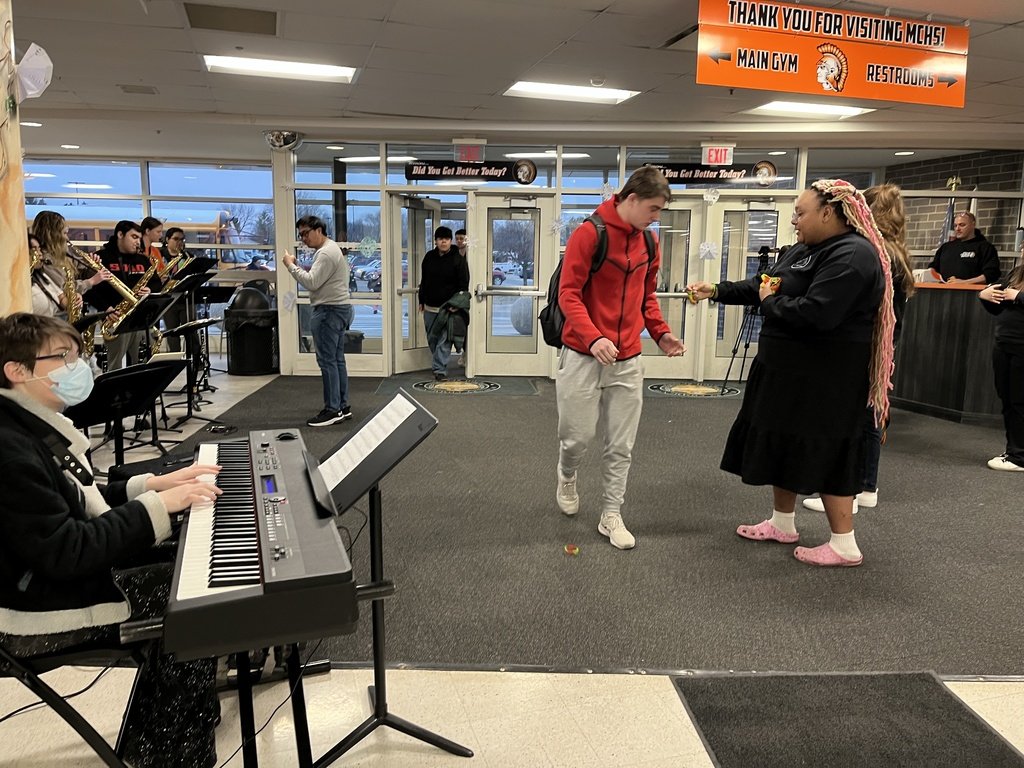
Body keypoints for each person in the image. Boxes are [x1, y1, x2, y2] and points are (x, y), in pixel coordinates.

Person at [0, 313, 222, 767]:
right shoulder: (9, 447)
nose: (78, 367)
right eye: (63, 357)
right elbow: (70, 551)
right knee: (192, 596)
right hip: (30, 610)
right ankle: (168, 752)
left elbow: (79, 497)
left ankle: (177, 723)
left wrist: (156, 486)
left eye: (77, 355)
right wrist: (159, 509)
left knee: (185, 561)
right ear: (17, 371)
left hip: (46, 577)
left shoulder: (25, 424)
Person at [687, 179, 895, 567]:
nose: (794, 221)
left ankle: (844, 544)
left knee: (829, 448)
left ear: (828, 213)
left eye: (800, 213)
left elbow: (816, 314)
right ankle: (782, 522)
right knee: (782, 440)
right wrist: (716, 289)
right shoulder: (804, 249)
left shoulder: (852, 255)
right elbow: (764, 284)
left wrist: (770, 302)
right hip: (785, 369)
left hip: (827, 377)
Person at [556, 166, 685, 550]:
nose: (656, 217)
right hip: (582, 355)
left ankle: (611, 513)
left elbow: (646, 296)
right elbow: (569, 295)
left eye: (660, 211)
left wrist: (660, 333)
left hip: (628, 359)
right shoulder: (588, 234)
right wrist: (592, 337)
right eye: (653, 208)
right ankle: (566, 473)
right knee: (576, 437)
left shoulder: (648, 243)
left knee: (621, 444)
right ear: (631, 200)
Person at [803, 182, 916, 512]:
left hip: (866, 344)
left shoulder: (873, 252)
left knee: (858, 416)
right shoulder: (892, 251)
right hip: (879, 344)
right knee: (868, 414)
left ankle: (852, 490)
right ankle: (864, 485)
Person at [282, 215, 354, 427]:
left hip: (329, 311)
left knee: (328, 361)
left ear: (319, 229)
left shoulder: (325, 253)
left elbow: (312, 282)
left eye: (306, 233)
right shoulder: (331, 249)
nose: (303, 238)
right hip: (338, 309)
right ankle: (342, 406)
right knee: (337, 360)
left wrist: (290, 266)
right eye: (301, 234)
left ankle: (333, 410)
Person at [84, 220, 160, 370]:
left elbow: (157, 282)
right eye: (133, 237)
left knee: (141, 364)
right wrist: (106, 308)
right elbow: (90, 290)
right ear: (120, 234)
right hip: (114, 318)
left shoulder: (142, 260)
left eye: (139, 238)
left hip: (138, 319)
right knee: (115, 365)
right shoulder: (101, 258)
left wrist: (150, 289)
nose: (137, 242)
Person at [979, 248, 1024, 471]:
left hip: (1022, 347)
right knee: (1006, 398)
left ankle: (1020, 456)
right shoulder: (1016, 274)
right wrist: (985, 296)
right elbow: (998, 307)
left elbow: (1015, 299)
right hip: (1004, 343)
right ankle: (1014, 450)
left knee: (1019, 401)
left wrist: (1019, 296)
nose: (1023, 250)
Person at [418, 226, 470, 381]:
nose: (443, 242)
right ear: (436, 241)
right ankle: (438, 363)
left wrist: (457, 304)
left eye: (446, 239)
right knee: (432, 338)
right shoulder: (429, 257)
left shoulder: (458, 259)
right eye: (440, 239)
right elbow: (424, 280)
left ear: (450, 241)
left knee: (444, 340)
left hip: (448, 308)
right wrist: (421, 300)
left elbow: (463, 284)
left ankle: (440, 369)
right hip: (429, 306)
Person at [928, 211, 1000, 284]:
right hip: (943, 292)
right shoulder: (946, 247)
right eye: (955, 226)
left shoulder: (985, 247)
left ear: (973, 225)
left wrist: (964, 282)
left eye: (962, 225)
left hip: (972, 293)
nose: (957, 229)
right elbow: (933, 268)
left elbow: (991, 274)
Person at [159, 226, 192, 352]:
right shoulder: (160, 255)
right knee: (172, 333)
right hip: (168, 300)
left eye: (182, 239)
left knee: (190, 331)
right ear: (167, 239)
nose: (180, 242)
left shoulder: (187, 256)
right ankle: (175, 360)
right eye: (176, 239)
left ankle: (195, 360)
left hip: (185, 299)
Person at [28, 230, 74, 319]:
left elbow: (61, 298)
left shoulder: (42, 276)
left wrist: (73, 300)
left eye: (39, 249)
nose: (40, 254)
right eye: (34, 249)